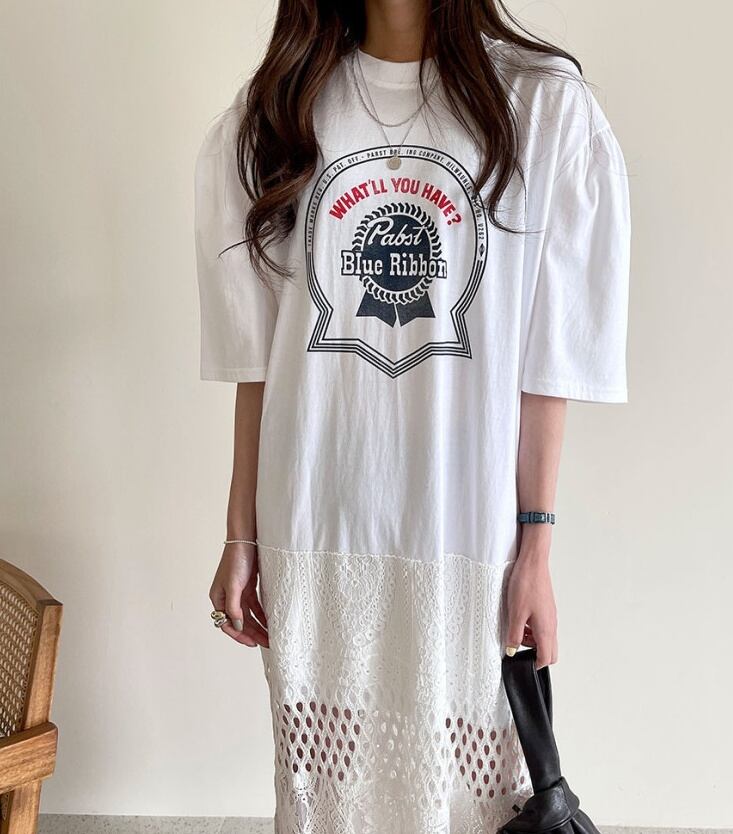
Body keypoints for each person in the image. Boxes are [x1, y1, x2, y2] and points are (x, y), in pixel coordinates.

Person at [194, 1, 630, 831]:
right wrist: (240, 534)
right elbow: (260, 360)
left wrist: (536, 544)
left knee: (473, 796)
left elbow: (548, 363)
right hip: (317, 517)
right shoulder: (279, 109)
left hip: (464, 527)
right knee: (328, 796)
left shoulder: (542, 105)